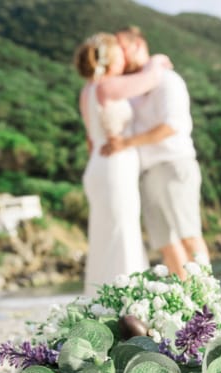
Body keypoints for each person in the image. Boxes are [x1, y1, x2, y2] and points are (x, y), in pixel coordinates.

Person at [101, 27, 210, 280]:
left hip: (173, 164)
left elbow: (171, 126)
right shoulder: (135, 86)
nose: (122, 59)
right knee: (166, 245)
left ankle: (210, 300)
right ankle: (187, 304)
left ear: (138, 45)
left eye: (123, 51)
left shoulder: (168, 80)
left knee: (189, 236)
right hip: (146, 173)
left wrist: (126, 142)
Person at [74, 33, 171, 294]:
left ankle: (103, 302)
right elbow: (151, 78)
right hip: (114, 166)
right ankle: (128, 304)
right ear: (111, 58)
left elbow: (90, 139)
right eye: (120, 52)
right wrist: (158, 59)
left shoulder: (87, 91)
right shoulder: (107, 86)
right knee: (123, 234)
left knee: (106, 237)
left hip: (98, 165)